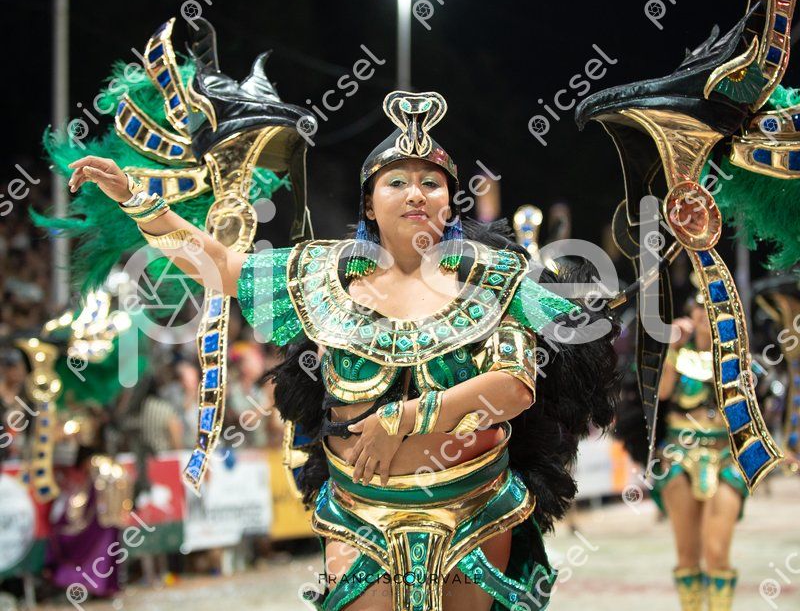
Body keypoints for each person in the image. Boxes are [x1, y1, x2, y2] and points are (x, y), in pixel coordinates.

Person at [64, 90, 619, 610]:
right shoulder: (319, 274)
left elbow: (516, 386)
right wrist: (137, 200)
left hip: (473, 503)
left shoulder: (492, 278)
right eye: (396, 181)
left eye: (431, 182)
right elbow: (222, 267)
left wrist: (405, 419)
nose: (416, 193)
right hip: (358, 510)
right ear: (369, 206)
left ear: (450, 204)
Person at [654, 299, 747, 611]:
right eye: (699, 305)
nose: (705, 312)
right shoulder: (679, 352)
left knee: (717, 552)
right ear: (691, 313)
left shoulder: (736, 355)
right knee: (687, 555)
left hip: (725, 457)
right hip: (680, 455)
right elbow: (662, 393)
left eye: (712, 305)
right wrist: (672, 346)